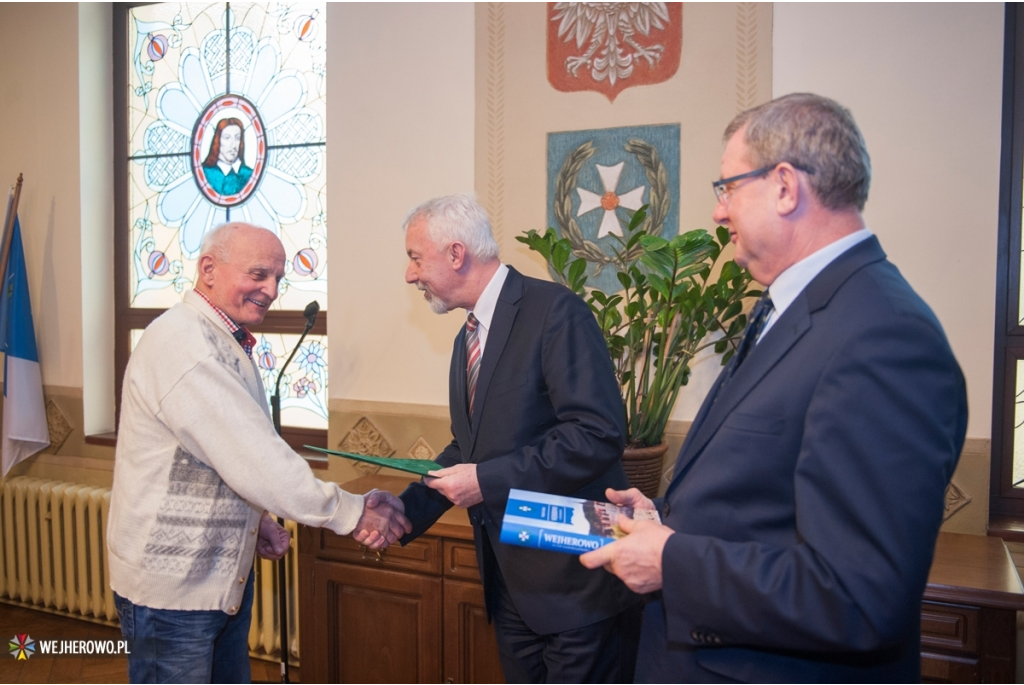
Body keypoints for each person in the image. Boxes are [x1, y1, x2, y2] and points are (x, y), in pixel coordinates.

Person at [581, 93, 968, 682]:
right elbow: (767, 505)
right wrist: (667, 521)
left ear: (785, 186)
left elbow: (859, 597)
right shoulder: (799, 309)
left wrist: (672, 560)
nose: (718, 212)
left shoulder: (884, 337)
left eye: (728, 187)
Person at [107, 221, 410, 684]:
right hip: (173, 595)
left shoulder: (220, 338)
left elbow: (217, 457)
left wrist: (255, 521)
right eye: (258, 274)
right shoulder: (186, 344)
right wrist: (351, 512)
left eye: (277, 278)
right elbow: (255, 458)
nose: (270, 290)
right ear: (208, 269)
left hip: (212, 582)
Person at [394, 194, 641, 683]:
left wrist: (487, 480)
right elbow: (470, 446)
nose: (410, 274)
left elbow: (598, 434)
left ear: (456, 253)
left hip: (578, 583)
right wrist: (405, 512)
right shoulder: (469, 335)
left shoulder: (556, 312)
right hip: (511, 586)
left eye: (415, 258)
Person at [201, 118, 253, 196]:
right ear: (217, 141)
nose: (233, 145)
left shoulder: (250, 174)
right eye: (227, 138)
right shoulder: (204, 172)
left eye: (237, 138)